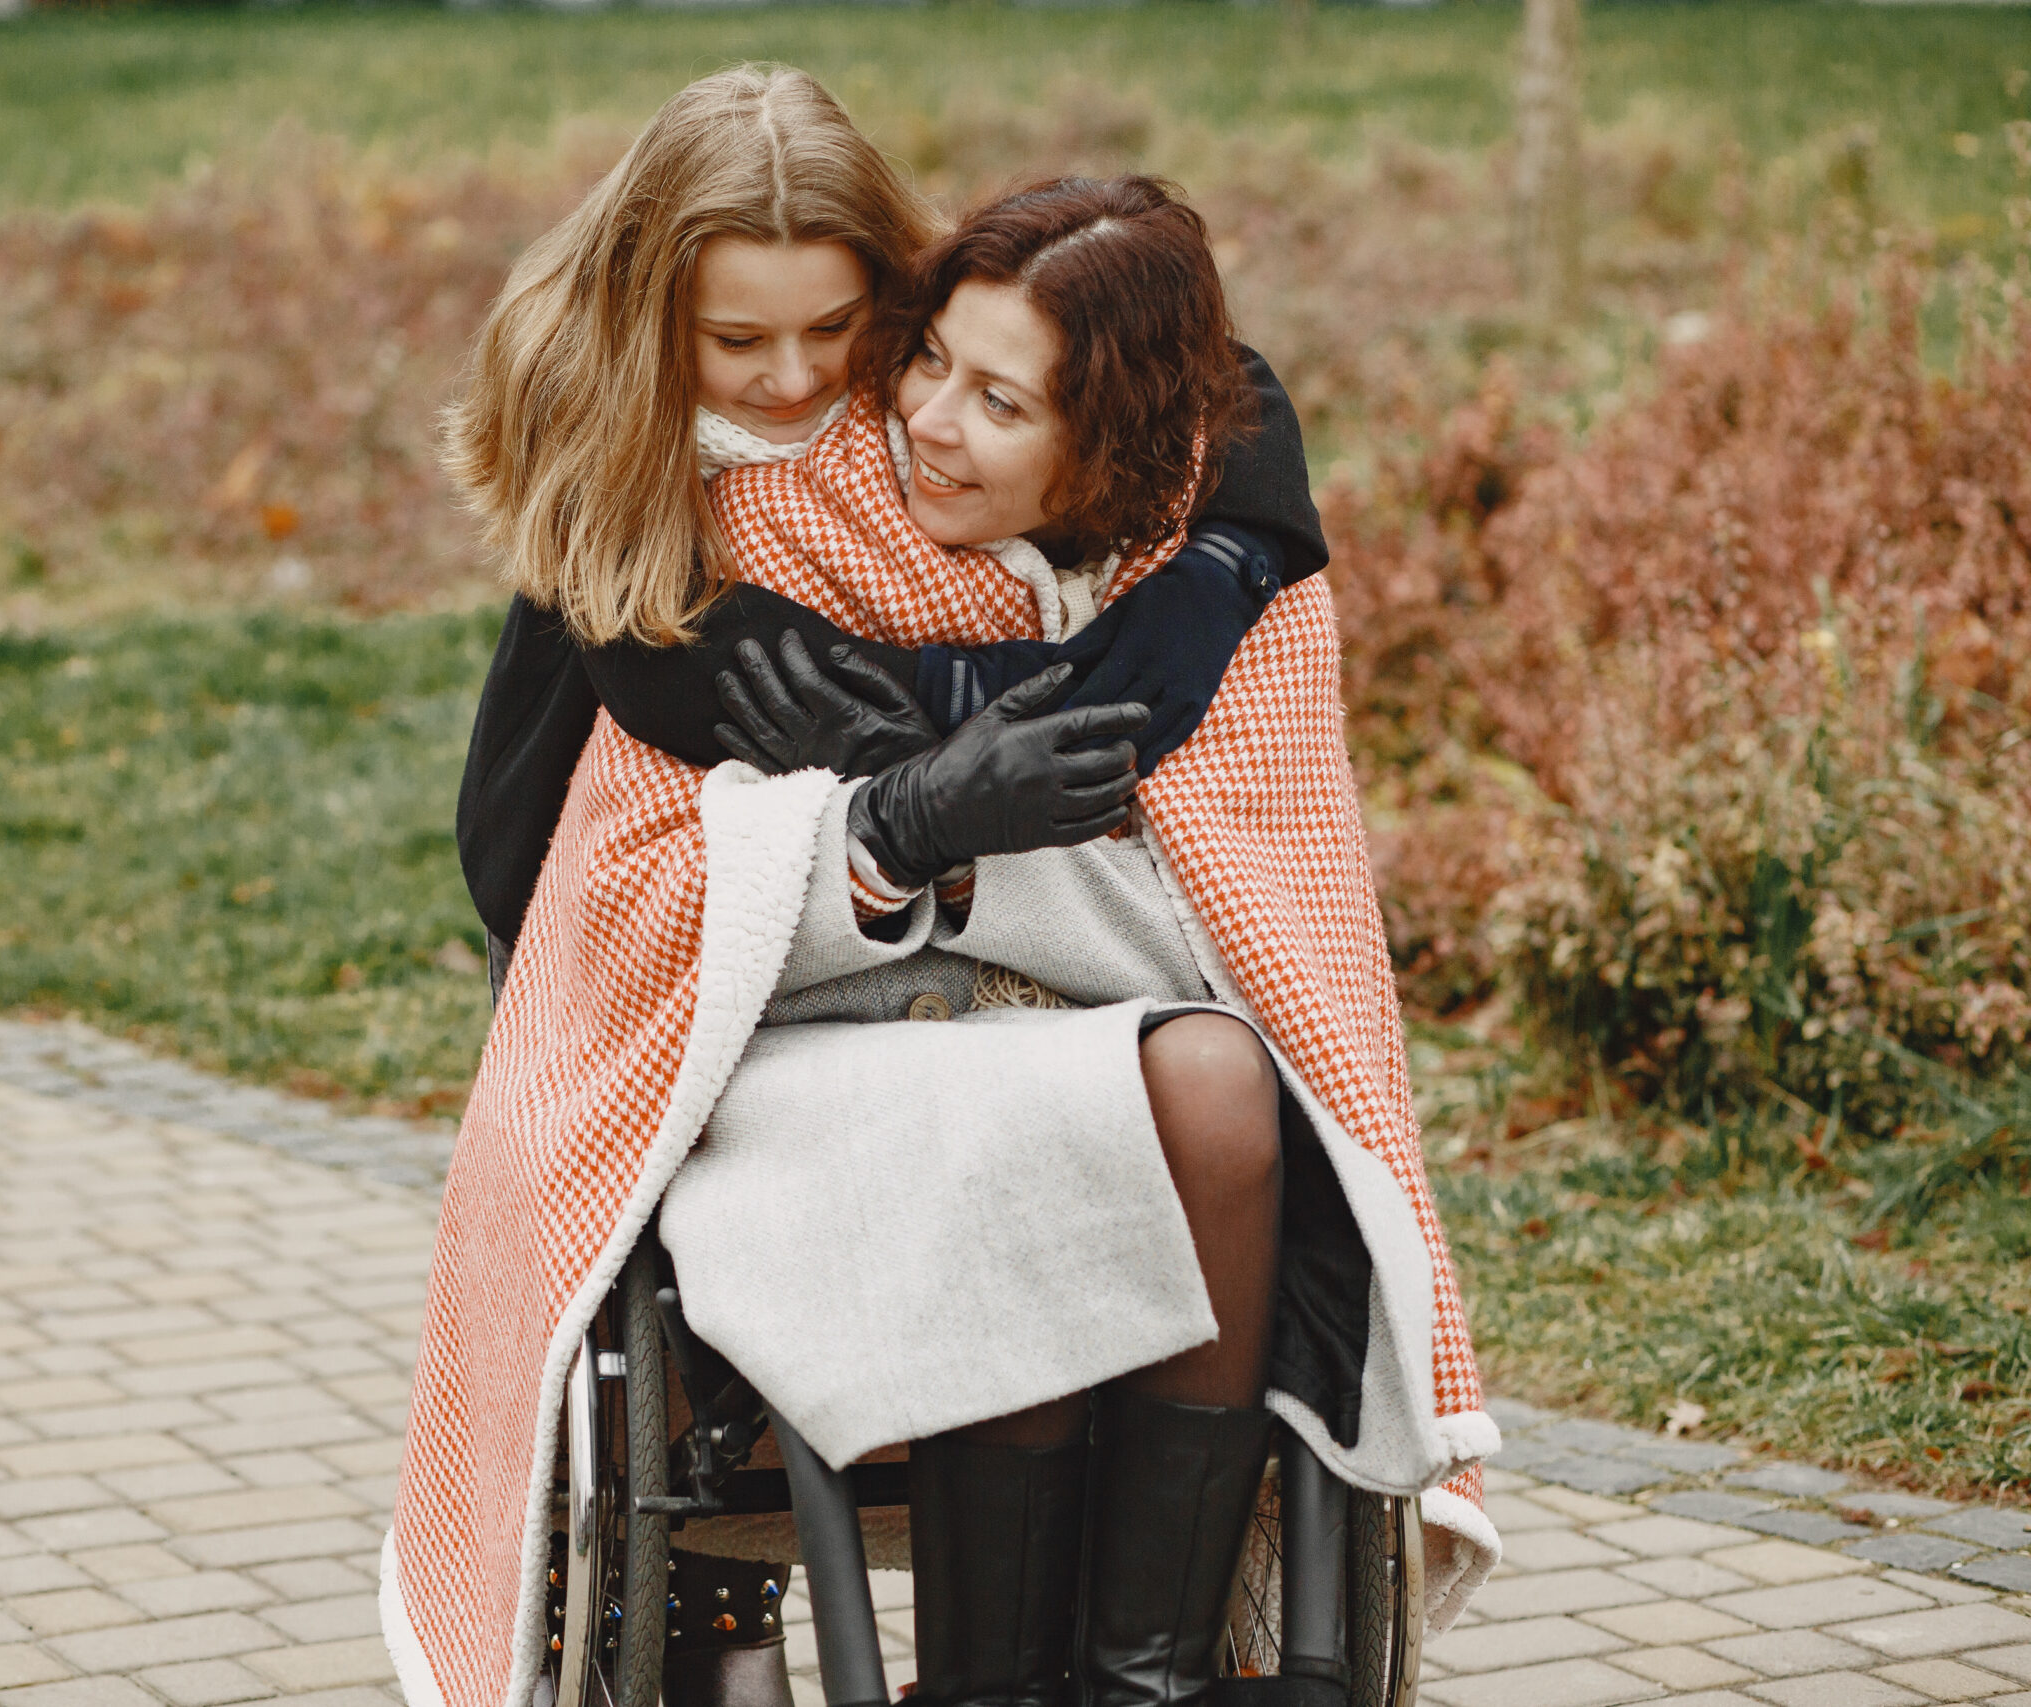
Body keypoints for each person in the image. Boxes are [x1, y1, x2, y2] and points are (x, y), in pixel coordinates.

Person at [387, 168, 1503, 1707]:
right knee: (1039, 1111)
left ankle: (1139, 1681)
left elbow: (1238, 908)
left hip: (1074, 1041)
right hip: (799, 1055)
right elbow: (625, 901)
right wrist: (902, 824)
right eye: (930, 364)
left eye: (994, 396)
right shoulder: (721, 529)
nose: (912, 412)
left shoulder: (1205, 572)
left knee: (1229, 1083)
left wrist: (1227, 565)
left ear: (1109, 434)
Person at [443, 63, 1328, 969]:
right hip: (563, 869)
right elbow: (716, 667)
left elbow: (1220, 371)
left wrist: (1222, 571)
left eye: (832, 327)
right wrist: (932, 742)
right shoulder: (585, 403)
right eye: (738, 341)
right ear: (653, 317)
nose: (793, 380)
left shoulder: (925, 311)